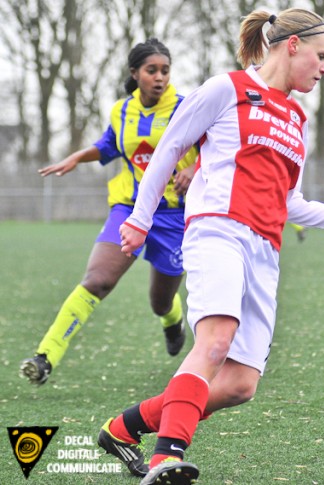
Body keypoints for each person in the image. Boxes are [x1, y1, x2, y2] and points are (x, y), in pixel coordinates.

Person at [96, 9, 324, 485]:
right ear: (292, 45)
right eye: (321, 56)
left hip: (265, 249)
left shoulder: (296, 117)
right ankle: (166, 460)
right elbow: (169, 147)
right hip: (217, 231)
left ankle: (124, 428)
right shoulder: (226, 88)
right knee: (215, 341)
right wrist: (140, 220)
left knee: (240, 385)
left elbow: (291, 201)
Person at [20, 39, 198, 387]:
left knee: (160, 302)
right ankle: (45, 357)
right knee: (98, 280)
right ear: (135, 74)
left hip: (173, 217)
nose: (159, 77)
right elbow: (108, 145)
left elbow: (214, 144)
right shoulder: (121, 110)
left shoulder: (186, 107)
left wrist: (196, 168)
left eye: (165, 70)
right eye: (152, 70)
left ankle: (172, 320)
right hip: (129, 208)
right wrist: (76, 157)